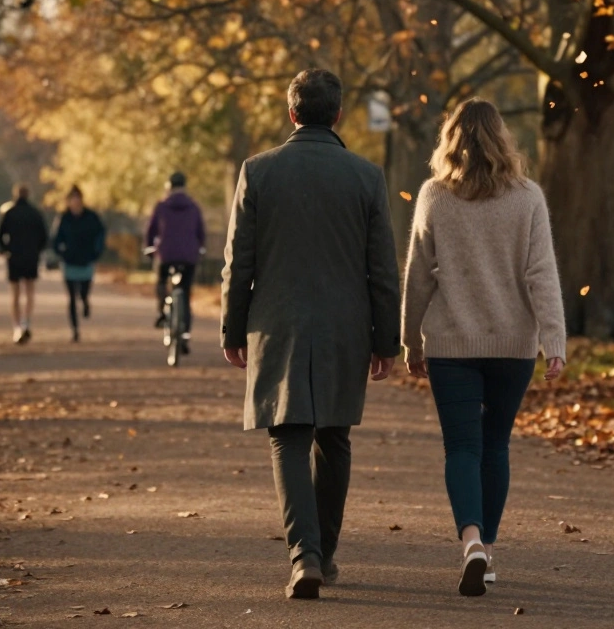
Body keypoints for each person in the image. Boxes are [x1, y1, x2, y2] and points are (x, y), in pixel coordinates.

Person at [221, 69, 401, 600]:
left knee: (288, 436)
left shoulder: (258, 171)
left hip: (277, 323)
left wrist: (233, 328)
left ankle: (305, 556)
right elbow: (382, 268)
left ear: (292, 113)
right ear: (338, 114)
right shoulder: (366, 177)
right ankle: (325, 550)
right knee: (334, 437)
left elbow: (239, 261)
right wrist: (385, 340)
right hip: (346, 324)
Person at [401, 98, 567, 597]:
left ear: (450, 140)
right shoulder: (528, 197)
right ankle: (488, 552)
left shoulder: (434, 195)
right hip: (513, 344)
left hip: (451, 343)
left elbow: (417, 278)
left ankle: (470, 540)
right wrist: (553, 339)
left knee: (461, 446)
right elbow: (542, 272)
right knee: (494, 444)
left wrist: (409, 341)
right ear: (502, 140)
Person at [145, 171, 206, 341]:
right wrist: (200, 248)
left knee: (161, 281)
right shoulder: (194, 207)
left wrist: (150, 247)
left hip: (166, 254)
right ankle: (185, 330)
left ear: (169, 187)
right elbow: (200, 232)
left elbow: (151, 231)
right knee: (185, 292)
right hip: (189, 256)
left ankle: (161, 312)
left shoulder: (161, 206)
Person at [52, 186, 107, 342]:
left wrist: (97, 252)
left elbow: (101, 234)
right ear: (69, 202)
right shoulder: (63, 218)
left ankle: (85, 301)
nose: (75, 203)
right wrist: (61, 252)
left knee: (83, 291)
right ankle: (75, 330)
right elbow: (56, 239)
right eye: (73, 200)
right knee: (71, 297)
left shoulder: (91, 217)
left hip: (87, 260)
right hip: (69, 262)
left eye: (78, 200)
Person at [0, 185, 49, 344]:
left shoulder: (9, 213)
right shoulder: (35, 214)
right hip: (31, 257)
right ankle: (26, 321)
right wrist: (36, 249)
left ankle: (16, 326)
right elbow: (44, 237)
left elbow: (0, 235)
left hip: (14, 257)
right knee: (29, 292)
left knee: (15, 294)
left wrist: (6, 250)